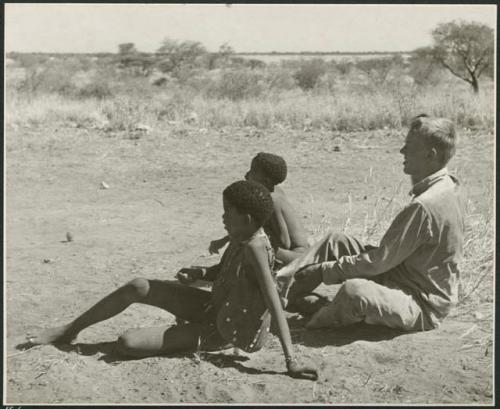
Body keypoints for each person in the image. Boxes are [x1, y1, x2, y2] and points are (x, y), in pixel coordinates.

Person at [28, 180, 318, 381]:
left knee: (128, 343)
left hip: (224, 329)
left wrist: (291, 360)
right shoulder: (241, 236)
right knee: (138, 286)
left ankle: (191, 336)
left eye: (227, 213)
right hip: (214, 306)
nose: (222, 218)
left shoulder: (256, 246)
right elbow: (225, 271)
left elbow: (272, 301)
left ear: (246, 217)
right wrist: (201, 274)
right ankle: (68, 331)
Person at [276, 114, 465, 332]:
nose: (402, 151)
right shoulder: (450, 184)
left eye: (409, 146)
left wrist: (323, 271)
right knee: (335, 241)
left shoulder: (424, 206)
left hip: (421, 303)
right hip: (402, 274)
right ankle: (278, 290)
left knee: (353, 291)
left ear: (430, 155)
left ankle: (312, 324)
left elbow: (379, 262)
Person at [209, 152, 309, 266]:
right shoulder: (271, 193)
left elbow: (285, 242)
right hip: (290, 252)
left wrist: (260, 244)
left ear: (266, 181)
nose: (246, 175)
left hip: (297, 256)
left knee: (248, 243)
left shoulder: (273, 200)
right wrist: (225, 239)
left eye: (252, 172)